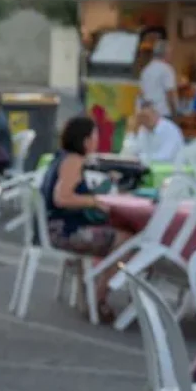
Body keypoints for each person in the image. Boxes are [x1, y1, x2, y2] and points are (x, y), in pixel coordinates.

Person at [41, 116, 126, 321]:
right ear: (86, 140)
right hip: (66, 232)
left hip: (56, 228)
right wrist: (93, 201)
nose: (97, 140)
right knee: (128, 241)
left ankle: (88, 291)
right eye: (95, 135)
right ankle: (98, 297)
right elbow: (62, 198)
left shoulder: (61, 157)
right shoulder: (73, 161)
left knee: (116, 233)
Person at [123, 97, 184, 164]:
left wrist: (141, 158)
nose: (143, 120)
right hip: (151, 169)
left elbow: (165, 157)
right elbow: (130, 150)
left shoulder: (169, 129)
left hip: (172, 170)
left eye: (146, 116)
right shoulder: (142, 130)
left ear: (156, 114)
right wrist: (135, 130)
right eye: (141, 117)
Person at [139, 37, 177, 117]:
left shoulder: (146, 69)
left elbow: (142, 93)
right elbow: (170, 93)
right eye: (170, 53)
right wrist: (175, 112)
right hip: (163, 113)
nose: (171, 56)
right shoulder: (167, 69)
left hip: (149, 113)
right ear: (165, 54)